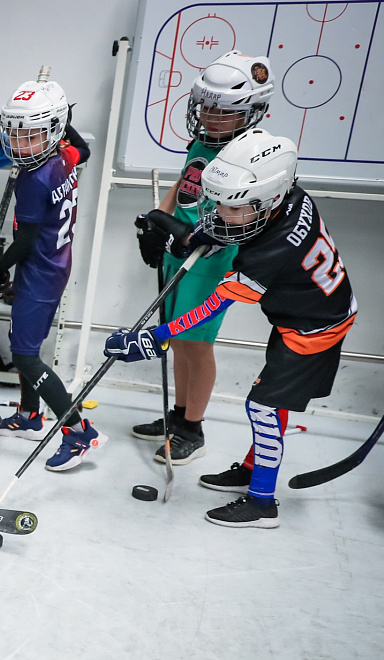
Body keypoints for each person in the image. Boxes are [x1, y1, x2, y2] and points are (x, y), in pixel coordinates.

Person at [105, 130, 355, 528]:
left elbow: (211, 307)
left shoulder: (272, 251)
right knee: (274, 401)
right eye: (219, 203)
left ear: (267, 199)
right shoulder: (289, 198)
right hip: (302, 315)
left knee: (263, 406)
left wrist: (154, 337)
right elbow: (236, 226)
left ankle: (262, 503)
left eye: (233, 207)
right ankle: (254, 472)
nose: (222, 213)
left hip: (315, 329)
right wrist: (197, 235)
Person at [131, 51, 274, 465]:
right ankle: (178, 416)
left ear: (250, 112)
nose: (210, 116)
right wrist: (157, 221)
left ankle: (193, 429)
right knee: (177, 340)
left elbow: (244, 218)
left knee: (196, 343)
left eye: (223, 111)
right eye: (206, 107)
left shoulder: (247, 155)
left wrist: (194, 238)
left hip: (210, 261)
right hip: (178, 248)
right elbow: (185, 182)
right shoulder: (203, 141)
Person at [0, 79, 99, 471]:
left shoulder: (34, 179)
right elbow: (84, 148)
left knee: (25, 356)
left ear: (52, 130)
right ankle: (29, 416)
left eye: (32, 135)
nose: (21, 145)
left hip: (40, 271)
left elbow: (24, 242)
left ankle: (80, 432)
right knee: (23, 345)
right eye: (17, 134)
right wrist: (62, 119)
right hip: (51, 264)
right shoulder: (65, 155)